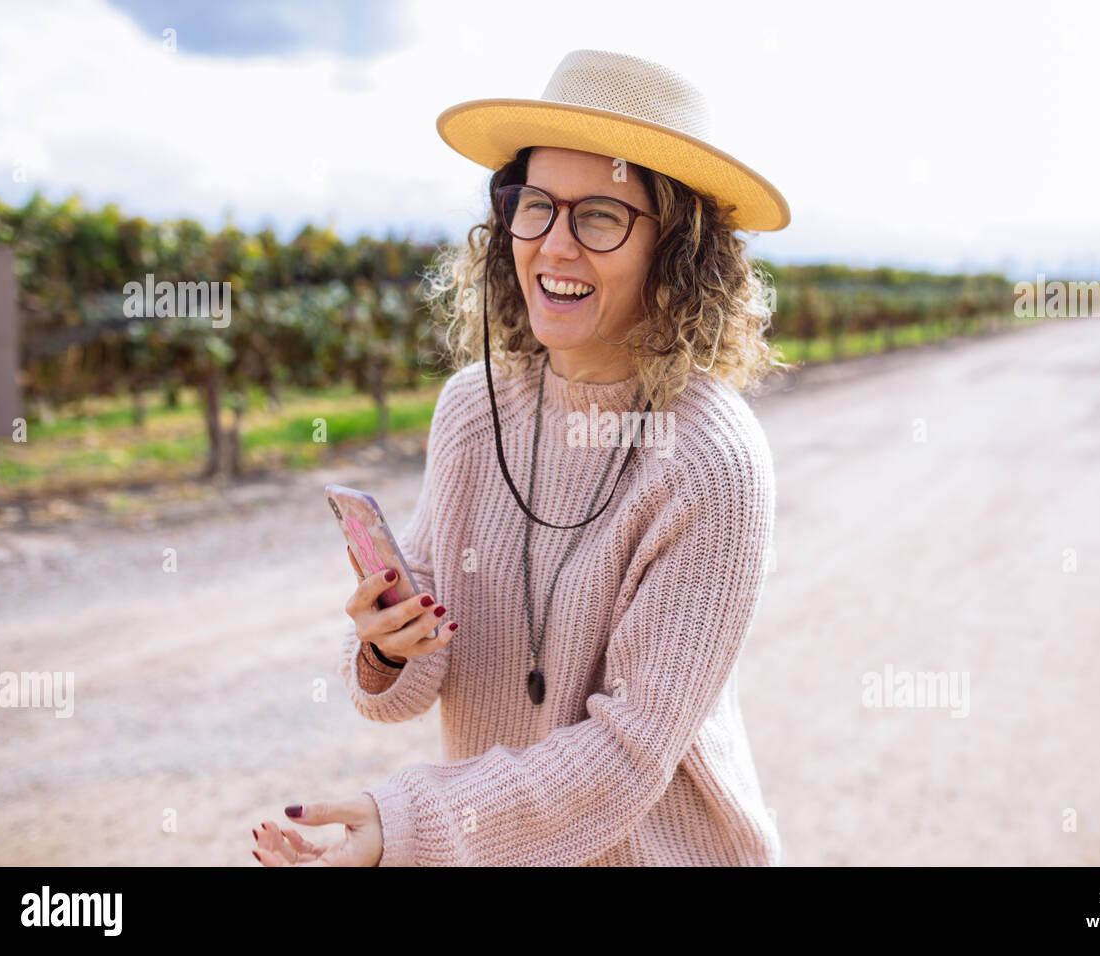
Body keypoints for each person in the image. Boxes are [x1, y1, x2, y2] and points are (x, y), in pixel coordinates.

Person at [253, 48, 792, 866]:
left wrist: (401, 825)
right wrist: (388, 646)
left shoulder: (711, 461)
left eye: (600, 216)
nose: (554, 245)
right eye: (534, 206)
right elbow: (425, 672)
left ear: (679, 247)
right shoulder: (472, 411)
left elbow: (628, 754)